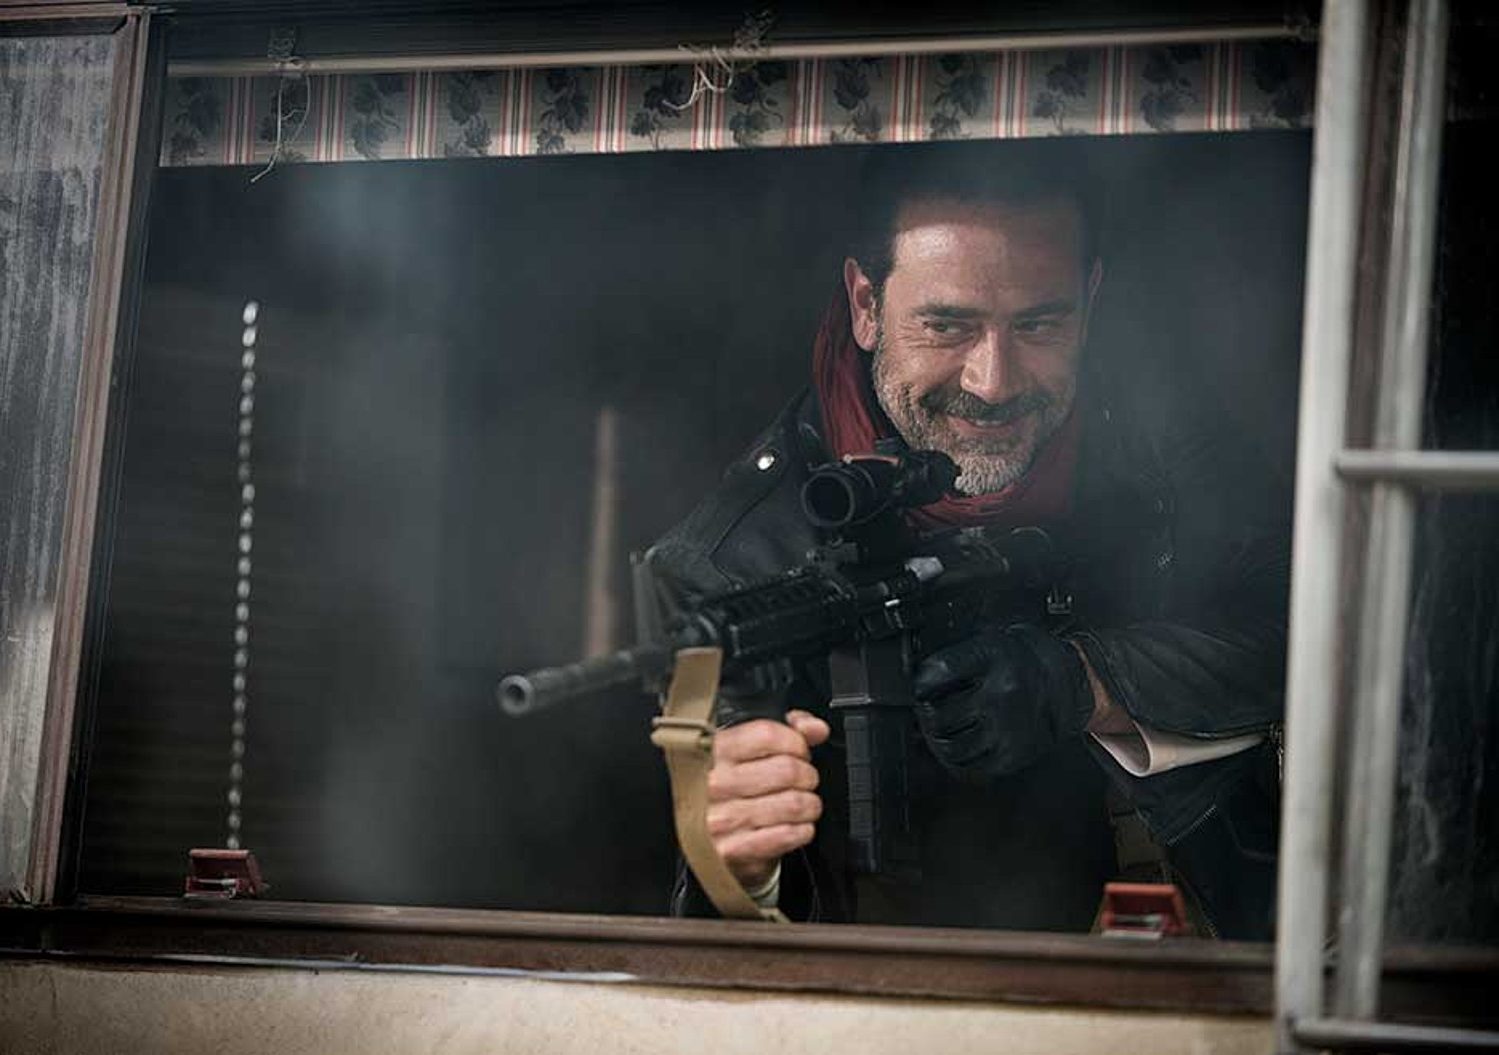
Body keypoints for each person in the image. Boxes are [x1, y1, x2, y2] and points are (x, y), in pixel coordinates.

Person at [644, 142, 1288, 938]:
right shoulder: (734, 561)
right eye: (946, 325)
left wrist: (1085, 681)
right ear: (865, 305)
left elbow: (1316, 637)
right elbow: (704, 931)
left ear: (1089, 299)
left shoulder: (1166, 444)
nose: (993, 380)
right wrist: (739, 867)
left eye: (1039, 323)